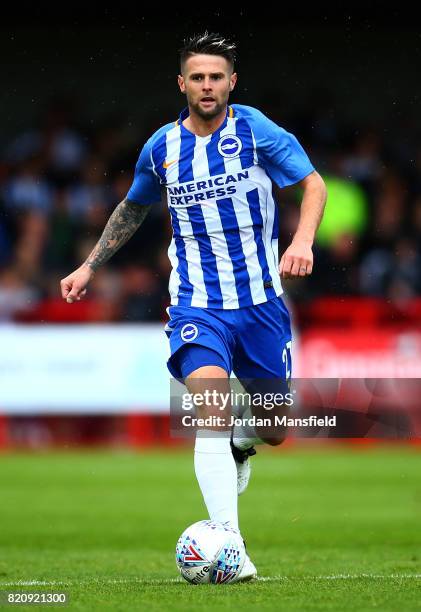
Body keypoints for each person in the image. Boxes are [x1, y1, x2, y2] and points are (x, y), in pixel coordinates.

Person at [60, 32, 327, 581]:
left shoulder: (256, 131)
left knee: (275, 427)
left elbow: (313, 184)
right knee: (210, 407)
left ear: (232, 81)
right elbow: (131, 209)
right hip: (195, 306)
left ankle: (242, 442)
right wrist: (89, 266)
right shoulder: (161, 147)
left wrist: (302, 241)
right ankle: (231, 546)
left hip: (261, 304)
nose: (208, 85)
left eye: (217, 76)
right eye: (198, 77)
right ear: (182, 84)